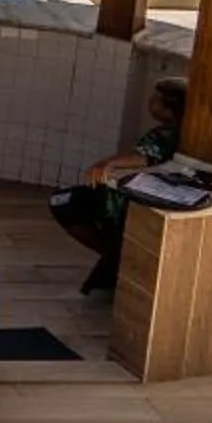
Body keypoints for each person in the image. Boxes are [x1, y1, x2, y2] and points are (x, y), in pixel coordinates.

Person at [50, 80, 188, 294]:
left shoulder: (165, 135)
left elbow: (145, 156)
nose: (150, 102)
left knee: (62, 202)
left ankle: (115, 256)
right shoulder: (181, 133)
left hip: (121, 205)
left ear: (169, 110)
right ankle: (116, 256)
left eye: (155, 100)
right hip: (133, 200)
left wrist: (107, 164)